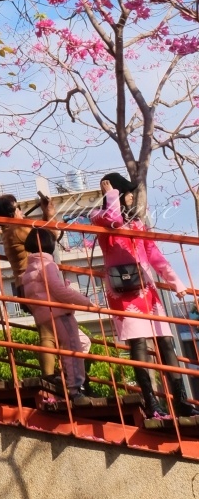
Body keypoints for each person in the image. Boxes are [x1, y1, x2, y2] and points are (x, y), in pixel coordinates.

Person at [91, 173, 199, 421]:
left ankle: (181, 402)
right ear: (118, 192)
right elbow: (113, 219)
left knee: (166, 343)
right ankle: (152, 404)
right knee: (138, 344)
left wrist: (175, 282)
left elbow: (154, 253)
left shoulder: (138, 223)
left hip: (147, 291)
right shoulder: (99, 216)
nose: (131, 196)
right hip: (123, 293)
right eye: (127, 192)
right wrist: (110, 195)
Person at [19, 227, 96, 402]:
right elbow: (58, 290)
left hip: (45, 315)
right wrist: (86, 302)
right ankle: (75, 389)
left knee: (82, 342)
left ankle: (67, 378)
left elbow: (39, 292)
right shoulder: (47, 264)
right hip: (59, 313)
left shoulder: (29, 269)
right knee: (73, 349)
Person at [0, 192, 58, 379]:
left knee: (50, 331)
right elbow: (52, 236)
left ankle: (55, 374)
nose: (21, 211)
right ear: (11, 213)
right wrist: (49, 214)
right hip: (36, 285)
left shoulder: (9, 232)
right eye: (17, 207)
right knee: (48, 333)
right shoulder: (18, 229)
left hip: (24, 286)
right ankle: (50, 376)